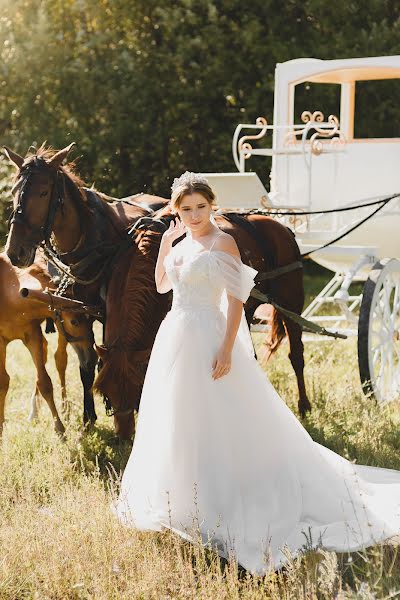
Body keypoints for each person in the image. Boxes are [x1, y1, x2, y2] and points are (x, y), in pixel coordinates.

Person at [113, 172, 400, 574]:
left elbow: (235, 301)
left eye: (200, 207)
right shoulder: (177, 241)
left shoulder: (223, 242)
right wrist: (164, 245)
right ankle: (184, 495)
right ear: (176, 211)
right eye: (186, 209)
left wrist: (227, 348)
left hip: (209, 334)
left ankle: (231, 492)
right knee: (178, 416)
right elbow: (163, 287)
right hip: (176, 335)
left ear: (211, 205)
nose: (194, 215)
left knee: (222, 413)